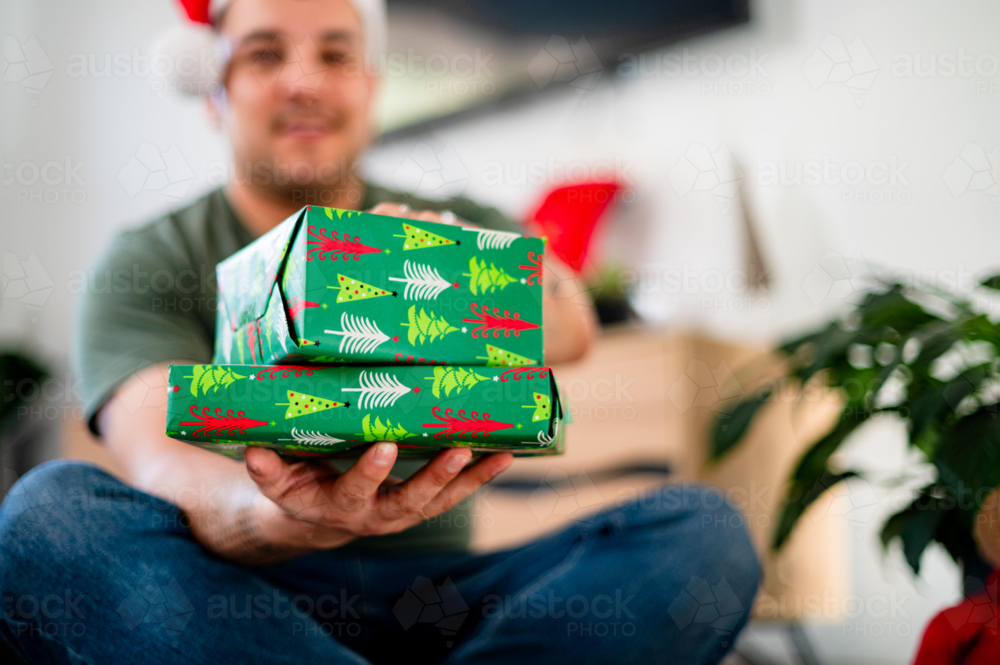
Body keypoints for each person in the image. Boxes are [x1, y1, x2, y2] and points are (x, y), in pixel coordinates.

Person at [0, 0, 761, 662]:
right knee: (48, 517)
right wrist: (284, 514)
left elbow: (571, 326)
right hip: (239, 594)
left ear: (370, 86)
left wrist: (443, 263)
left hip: (445, 603)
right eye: (266, 54)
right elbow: (162, 463)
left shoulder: (456, 221)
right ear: (215, 92)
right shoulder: (150, 259)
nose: (305, 80)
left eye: (336, 54)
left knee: (699, 533)